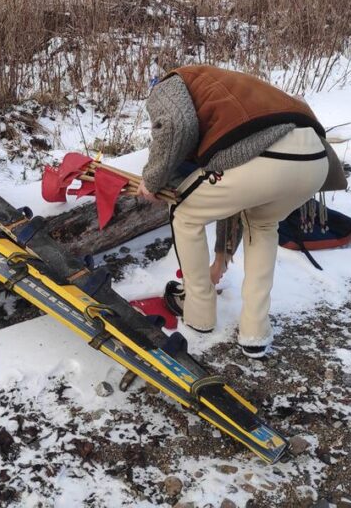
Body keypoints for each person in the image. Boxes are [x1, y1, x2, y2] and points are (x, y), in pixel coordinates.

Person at [137, 64, 340, 358]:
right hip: (315, 162)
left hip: (267, 156)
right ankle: (255, 331)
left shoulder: (169, 84)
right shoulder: (230, 85)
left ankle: (198, 311)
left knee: (184, 213)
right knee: (263, 226)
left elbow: (176, 126)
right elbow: (233, 183)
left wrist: (151, 180)